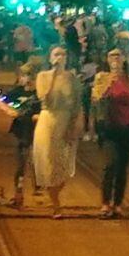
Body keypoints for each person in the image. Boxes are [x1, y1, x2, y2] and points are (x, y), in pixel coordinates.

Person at [92, 48, 129, 219]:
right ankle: (105, 202)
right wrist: (109, 83)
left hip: (128, 126)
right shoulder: (101, 78)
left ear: (124, 58)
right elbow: (96, 99)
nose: (115, 59)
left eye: (118, 56)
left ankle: (117, 203)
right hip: (109, 127)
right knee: (110, 164)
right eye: (111, 56)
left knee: (123, 167)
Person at [33, 45, 81, 219]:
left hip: (65, 121)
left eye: (63, 54)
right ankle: (56, 204)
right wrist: (53, 75)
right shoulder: (42, 76)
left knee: (63, 163)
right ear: (50, 57)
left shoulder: (73, 78)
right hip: (48, 120)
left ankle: (55, 193)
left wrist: (74, 126)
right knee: (49, 161)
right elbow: (43, 96)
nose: (60, 57)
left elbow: (77, 105)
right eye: (56, 54)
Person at [0, 64, 41, 208]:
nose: (27, 79)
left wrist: (40, 116)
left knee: (38, 161)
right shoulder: (17, 91)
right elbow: (0, 101)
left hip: (38, 131)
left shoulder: (40, 93)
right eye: (24, 75)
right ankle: (19, 193)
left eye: (30, 75)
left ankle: (38, 187)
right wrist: (9, 111)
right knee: (21, 162)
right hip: (21, 131)